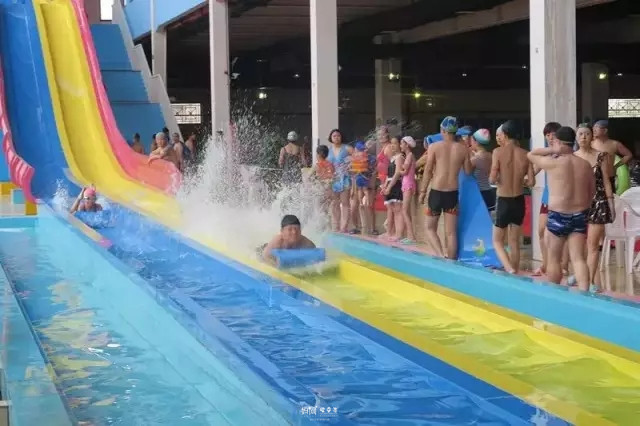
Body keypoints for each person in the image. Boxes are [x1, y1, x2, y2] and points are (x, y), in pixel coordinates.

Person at [527, 126, 595, 290]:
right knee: (578, 258)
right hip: (579, 214)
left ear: (557, 142)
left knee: (554, 258)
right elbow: (592, 192)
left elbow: (531, 154)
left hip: (558, 215)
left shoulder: (553, 163)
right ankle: (584, 294)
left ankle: (555, 293)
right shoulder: (585, 165)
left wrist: (552, 149)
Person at [418, 116, 473, 259]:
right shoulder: (463, 149)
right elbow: (468, 171)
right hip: (452, 194)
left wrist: (422, 192)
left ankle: (441, 256)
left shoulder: (434, 147)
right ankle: (451, 262)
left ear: (442, 130)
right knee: (451, 233)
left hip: (436, 192)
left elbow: (428, 170)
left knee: (430, 228)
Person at [489, 121, 535, 274]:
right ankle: (514, 270)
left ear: (505, 135)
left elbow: (492, 178)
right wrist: (520, 180)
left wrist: (498, 179)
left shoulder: (498, 152)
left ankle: (509, 268)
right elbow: (532, 182)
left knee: (497, 241)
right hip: (519, 201)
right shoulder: (526, 154)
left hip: (503, 200)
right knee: (514, 241)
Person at [574, 123, 615, 290]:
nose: (583, 137)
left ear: (592, 136)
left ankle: (590, 281)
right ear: (576, 137)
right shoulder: (573, 157)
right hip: (577, 203)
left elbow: (606, 181)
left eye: (587, 134)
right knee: (578, 245)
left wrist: (611, 204)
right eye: (580, 134)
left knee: (592, 245)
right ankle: (580, 275)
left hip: (598, 202)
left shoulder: (600, 156)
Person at [533, 122, 562, 276]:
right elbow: (534, 170)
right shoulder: (546, 155)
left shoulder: (565, 155)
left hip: (560, 199)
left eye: (553, 134)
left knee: (559, 235)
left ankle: (562, 265)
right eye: (547, 135)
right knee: (541, 231)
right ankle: (545, 264)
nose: (550, 137)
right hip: (546, 198)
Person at [591, 120, 632, 193]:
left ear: (605, 130)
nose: (594, 130)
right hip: (593, 178)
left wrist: (616, 166)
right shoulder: (590, 144)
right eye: (593, 127)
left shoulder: (614, 144)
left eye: (597, 127)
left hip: (609, 177)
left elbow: (628, 155)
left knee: (610, 197)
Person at [327, 129, 353, 233]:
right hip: (333, 179)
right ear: (331, 138)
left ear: (341, 137)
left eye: (338, 135)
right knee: (334, 203)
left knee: (345, 202)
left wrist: (351, 164)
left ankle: (344, 226)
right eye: (334, 136)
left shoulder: (347, 148)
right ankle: (336, 225)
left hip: (345, 178)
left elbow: (358, 157)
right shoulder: (328, 150)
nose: (336, 137)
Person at [349, 141, 376, 235]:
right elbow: (353, 174)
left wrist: (372, 186)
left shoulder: (372, 159)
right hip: (357, 185)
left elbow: (373, 172)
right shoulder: (354, 158)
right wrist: (352, 189)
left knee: (369, 206)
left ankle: (372, 228)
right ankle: (355, 227)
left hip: (368, 184)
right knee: (353, 207)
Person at [381, 137, 405, 241]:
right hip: (391, 184)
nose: (392, 145)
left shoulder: (400, 157)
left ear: (400, 144)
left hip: (396, 184)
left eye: (395, 143)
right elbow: (388, 175)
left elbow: (397, 173)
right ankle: (392, 233)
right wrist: (385, 186)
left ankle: (399, 234)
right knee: (394, 210)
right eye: (391, 143)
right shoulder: (393, 158)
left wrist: (389, 187)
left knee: (398, 210)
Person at [469, 129, 495, 211]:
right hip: (490, 192)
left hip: (478, 193)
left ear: (476, 142)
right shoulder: (491, 156)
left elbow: (466, 174)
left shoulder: (475, 159)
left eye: (471, 140)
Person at [399, 136, 417, 243]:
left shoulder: (409, 156)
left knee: (404, 210)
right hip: (407, 183)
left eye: (402, 143)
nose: (400, 145)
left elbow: (404, 171)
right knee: (406, 211)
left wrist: (399, 168)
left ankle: (412, 237)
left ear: (407, 145)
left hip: (408, 184)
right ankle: (410, 235)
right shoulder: (409, 156)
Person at [310, 144, 334, 219]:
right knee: (327, 209)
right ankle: (327, 223)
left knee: (319, 209)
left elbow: (308, 177)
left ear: (318, 154)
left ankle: (319, 223)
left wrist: (313, 180)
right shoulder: (331, 165)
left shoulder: (317, 165)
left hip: (320, 188)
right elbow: (333, 176)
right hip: (329, 189)